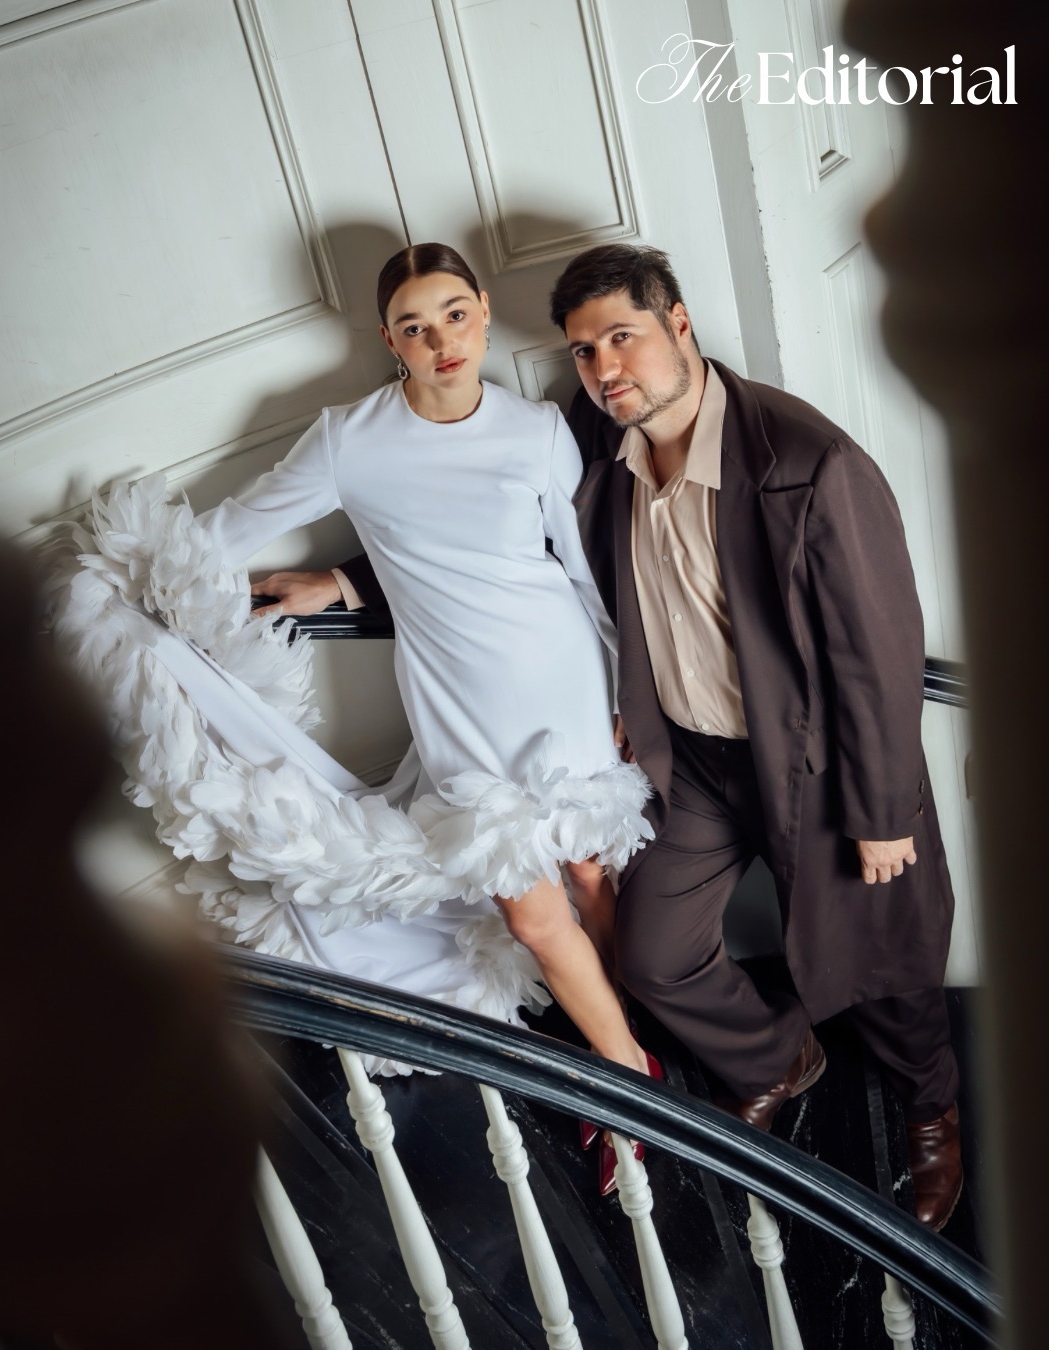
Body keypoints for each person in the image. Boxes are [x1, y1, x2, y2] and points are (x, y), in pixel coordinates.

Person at [195, 242, 661, 1192]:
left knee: (589, 871)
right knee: (529, 908)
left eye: (454, 315)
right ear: (389, 340)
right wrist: (143, 582)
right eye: (415, 327)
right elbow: (234, 528)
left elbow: (580, 571)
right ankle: (631, 1078)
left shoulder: (537, 429)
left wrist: (622, 691)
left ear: (483, 311)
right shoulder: (348, 439)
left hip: (559, 672)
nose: (441, 340)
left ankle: (625, 1045)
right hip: (457, 696)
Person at [549, 242, 962, 1230]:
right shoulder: (596, 436)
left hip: (814, 769)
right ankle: (778, 1058)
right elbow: (485, 533)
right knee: (653, 955)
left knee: (885, 964)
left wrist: (882, 811)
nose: (605, 368)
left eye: (623, 338)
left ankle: (935, 1108)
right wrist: (346, 580)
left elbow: (879, 656)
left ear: (679, 324)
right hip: (691, 765)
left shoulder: (810, 464)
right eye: (583, 351)